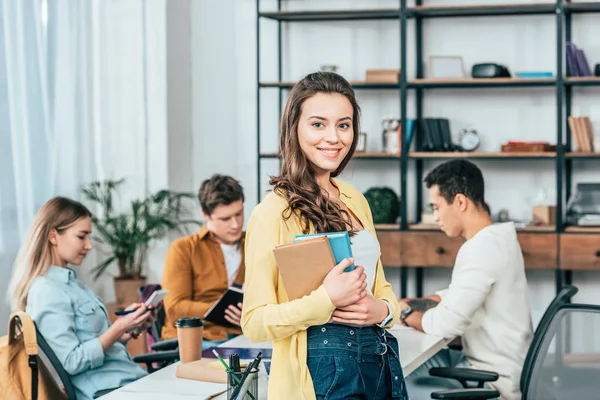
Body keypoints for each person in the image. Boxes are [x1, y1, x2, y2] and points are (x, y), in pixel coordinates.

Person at [241, 71, 408, 400]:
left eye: (343, 125)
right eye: (318, 124)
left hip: (378, 358)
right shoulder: (272, 212)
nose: (333, 137)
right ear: (295, 128)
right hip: (320, 372)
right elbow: (254, 322)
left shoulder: (354, 199)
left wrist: (384, 311)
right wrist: (325, 300)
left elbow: (381, 287)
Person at [399, 160, 533, 400]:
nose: (435, 217)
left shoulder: (482, 248)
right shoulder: (497, 239)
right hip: (493, 366)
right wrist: (415, 302)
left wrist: (406, 315)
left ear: (460, 202)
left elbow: (447, 324)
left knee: (393, 378)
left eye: (436, 207)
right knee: (411, 363)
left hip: (492, 381)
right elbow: (459, 293)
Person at [7, 197, 154, 400]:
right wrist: (117, 327)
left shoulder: (73, 285)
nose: (89, 245)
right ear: (53, 236)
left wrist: (129, 329)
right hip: (109, 391)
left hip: (129, 382)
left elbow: (93, 342)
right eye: (82, 236)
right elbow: (71, 361)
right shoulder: (47, 291)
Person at [161, 174, 246, 346]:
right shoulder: (183, 249)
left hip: (243, 337)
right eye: (225, 219)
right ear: (206, 215)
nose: (235, 224)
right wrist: (222, 310)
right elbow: (174, 309)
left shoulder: (255, 243)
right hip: (198, 339)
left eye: (239, 214)